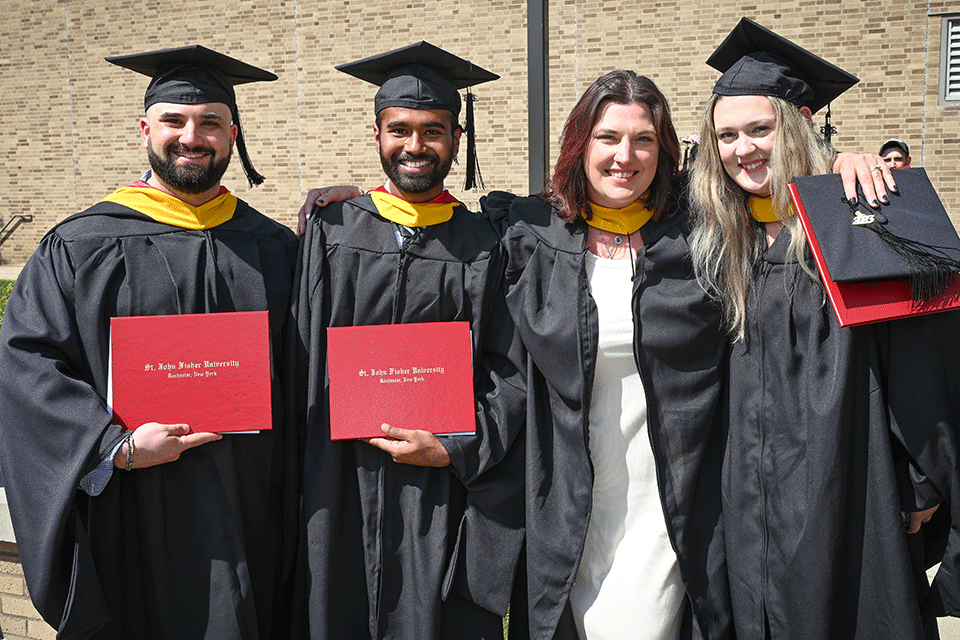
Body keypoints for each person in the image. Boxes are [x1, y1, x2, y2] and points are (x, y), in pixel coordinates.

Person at [0, 46, 300, 640]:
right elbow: (26, 366)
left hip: (251, 510)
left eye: (211, 122)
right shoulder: (81, 247)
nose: (192, 136)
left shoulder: (275, 248)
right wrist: (117, 448)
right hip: (135, 511)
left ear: (233, 136)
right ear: (145, 129)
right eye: (174, 121)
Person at [689, 18, 960, 640]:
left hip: (851, 488)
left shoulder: (866, 218)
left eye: (761, 129)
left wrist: (919, 483)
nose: (743, 149)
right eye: (727, 135)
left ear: (802, 122)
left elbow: (926, 363)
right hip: (744, 499)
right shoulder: (717, 238)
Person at [287, 41, 523, 640]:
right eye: (400, 130)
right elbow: (297, 356)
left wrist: (454, 447)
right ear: (376, 136)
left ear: (455, 138)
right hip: (334, 481)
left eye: (433, 131)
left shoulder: (485, 246)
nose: (415, 147)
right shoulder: (333, 231)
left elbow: (510, 370)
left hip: (434, 489)